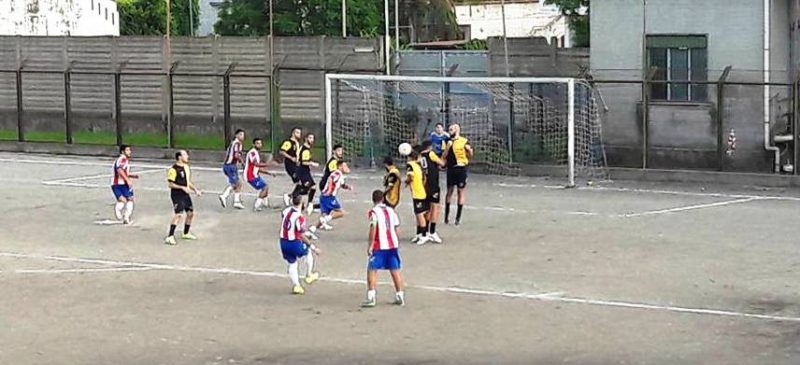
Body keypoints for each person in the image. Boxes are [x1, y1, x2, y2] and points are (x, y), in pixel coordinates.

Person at [362, 190, 405, 308]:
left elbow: (373, 228)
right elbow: (396, 229)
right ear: (383, 199)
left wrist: (370, 245)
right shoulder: (391, 211)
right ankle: (400, 295)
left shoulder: (373, 212)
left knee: (372, 269)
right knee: (395, 269)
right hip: (392, 244)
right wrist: (397, 241)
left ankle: (371, 296)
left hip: (379, 245)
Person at [280, 194, 321, 295]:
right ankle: (309, 275)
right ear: (301, 203)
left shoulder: (286, 211)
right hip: (294, 242)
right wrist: (313, 246)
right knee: (308, 252)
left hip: (283, 242)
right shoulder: (300, 217)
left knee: (292, 263)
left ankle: (297, 286)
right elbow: (301, 235)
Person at [165, 150, 202, 245]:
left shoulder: (186, 167)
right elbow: (170, 184)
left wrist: (195, 190)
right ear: (179, 157)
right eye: (185, 155)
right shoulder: (173, 170)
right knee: (178, 214)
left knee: (190, 213)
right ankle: (170, 236)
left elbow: (187, 182)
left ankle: (186, 233)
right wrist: (182, 187)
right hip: (177, 195)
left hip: (185, 194)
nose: (187, 156)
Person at [308, 161, 352, 237]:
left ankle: (311, 231)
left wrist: (348, 187)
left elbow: (342, 185)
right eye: (344, 166)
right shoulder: (337, 173)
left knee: (323, 216)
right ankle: (326, 219)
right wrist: (329, 190)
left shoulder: (340, 175)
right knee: (341, 212)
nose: (346, 168)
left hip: (324, 196)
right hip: (329, 197)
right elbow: (330, 178)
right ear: (340, 167)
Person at [442, 123, 473, 226]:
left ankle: (458, 218)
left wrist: (469, 151)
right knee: (449, 191)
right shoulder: (446, 141)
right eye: (449, 129)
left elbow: (470, 155)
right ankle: (446, 217)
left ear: (457, 130)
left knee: (461, 191)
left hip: (461, 168)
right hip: (451, 168)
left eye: (452, 129)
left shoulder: (464, 141)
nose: (450, 131)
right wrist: (447, 147)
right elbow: (444, 156)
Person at [420, 141, 445, 243]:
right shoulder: (431, 154)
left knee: (426, 208)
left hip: (424, 184)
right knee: (435, 207)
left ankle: (424, 232)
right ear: (430, 147)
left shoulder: (420, 156)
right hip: (433, 184)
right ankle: (432, 232)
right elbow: (442, 163)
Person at [244, 138, 278, 212]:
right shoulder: (252, 153)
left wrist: (269, 173)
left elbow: (257, 168)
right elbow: (256, 164)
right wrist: (269, 164)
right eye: (257, 143)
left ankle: (265, 204)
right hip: (250, 176)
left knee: (266, 186)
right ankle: (256, 205)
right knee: (265, 187)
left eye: (260, 143)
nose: (259, 145)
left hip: (254, 175)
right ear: (253, 144)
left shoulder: (256, 153)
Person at [290, 133, 319, 215]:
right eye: (310, 138)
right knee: (308, 188)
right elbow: (304, 162)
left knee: (311, 187)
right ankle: (292, 197)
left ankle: (308, 204)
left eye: (312, 138)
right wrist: (313, 163)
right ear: (306, 138)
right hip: (303, 171)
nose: (312, 140)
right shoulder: (305, 149)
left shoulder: (305, 148)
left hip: (304, 171)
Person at [405, 147, 429, 245]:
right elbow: (424, 178)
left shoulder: (410, 165)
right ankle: (419, 233)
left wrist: (406, 182)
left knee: (419, 215)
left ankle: (424, 235)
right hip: (421, 191)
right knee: (418, 214)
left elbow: (410, 176)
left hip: (417, 193)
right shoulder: (418, 166)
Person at [111, 145, 139, 224]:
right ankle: (118, 210)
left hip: (123, 183)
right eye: (127, 150)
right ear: (123, 152)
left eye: (129, 150)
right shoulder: (123, 159)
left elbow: (123, 171)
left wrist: (131, 175)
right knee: (123, 200)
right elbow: (119, 170)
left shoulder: (124, 160)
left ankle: (126, 218)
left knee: (130, 199)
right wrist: (127, 180)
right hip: (118, 184)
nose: (129, 152)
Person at [218, 129, 245, 210]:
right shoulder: (237, 144)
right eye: (240, 134)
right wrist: (242, 162)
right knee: (236, 183)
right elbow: (236, 155)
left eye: (243, 135)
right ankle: (224, 196)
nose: (242, 136)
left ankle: (236, 202)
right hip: (231, 166)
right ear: (236, 135)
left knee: (239, 183)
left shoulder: (232, 143)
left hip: (229, 165)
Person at [280, 127, 303, 206]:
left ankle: (293, 197)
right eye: (297, 132)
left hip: (295, 165)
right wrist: (291, 158)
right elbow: (282, 151)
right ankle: (290, 196)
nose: (299, 134)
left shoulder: (297, 143)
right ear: (293, 133)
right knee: (300, 182)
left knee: (302, 182)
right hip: (290, 165)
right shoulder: (288, 142)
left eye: (300, 133)